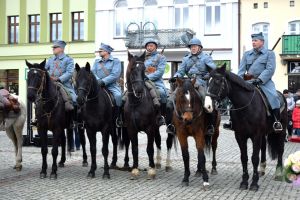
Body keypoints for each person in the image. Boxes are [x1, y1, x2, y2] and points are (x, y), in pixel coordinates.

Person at [169, 37, 216, 135]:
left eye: (195, 46)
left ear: (200, 48)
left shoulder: (206, 58)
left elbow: (213, 70)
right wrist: (175, 77)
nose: (193, 48)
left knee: (207, 102)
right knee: (171, 99)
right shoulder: (186, 58)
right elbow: (181, 71)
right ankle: (172, 125)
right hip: (188, 82)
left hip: (201, 82)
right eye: (191, 47)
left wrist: (208, 75)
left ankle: (210, 126)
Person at [238, 32, 282, 131]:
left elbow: (270, 69)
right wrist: (239, 82)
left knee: (274, 97)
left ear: (262, 42)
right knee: (237, 96)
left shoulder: (269, 53)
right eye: (252, 41)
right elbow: (241, 70)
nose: (253, 42)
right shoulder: (246, 54)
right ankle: (233, 121)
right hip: (248, 81)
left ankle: (276, 121)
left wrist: (260, 79)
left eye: (255, 40)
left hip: (264, 82)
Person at [31, 40, 77, 130]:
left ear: (61, 49)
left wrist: (59, 79)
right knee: (38, 100)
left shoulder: (69, 59)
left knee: (74, 99)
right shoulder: (51, 59)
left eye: (55, 47)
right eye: (53, 48)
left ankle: (73, 121)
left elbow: (70, 72)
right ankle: (37, 119)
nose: (53, 49)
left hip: (64, 84)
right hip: (50, 84)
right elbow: (45, 69)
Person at [91, 43, 122, 126]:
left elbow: (115, 75)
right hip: (97, 86)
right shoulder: (97, 61)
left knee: (118, 96)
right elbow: (93, 72)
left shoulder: (116, 61)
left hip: (111, 86)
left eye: (101, 50)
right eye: (99, 50)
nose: (99, 52)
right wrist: (98, 81)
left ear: (107, 51)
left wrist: (103, 81)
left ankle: (118, 118)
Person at [143, 38, 168, 126]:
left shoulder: (161, 57)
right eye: (148, 46)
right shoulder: (142, 57)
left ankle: (162, 115)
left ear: (155, 47)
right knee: (127, 94)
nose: (149, 47)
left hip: (156, 82)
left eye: (151, 46)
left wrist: (146, 78)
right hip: (141, 81)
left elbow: (160, 72)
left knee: (162, 94)